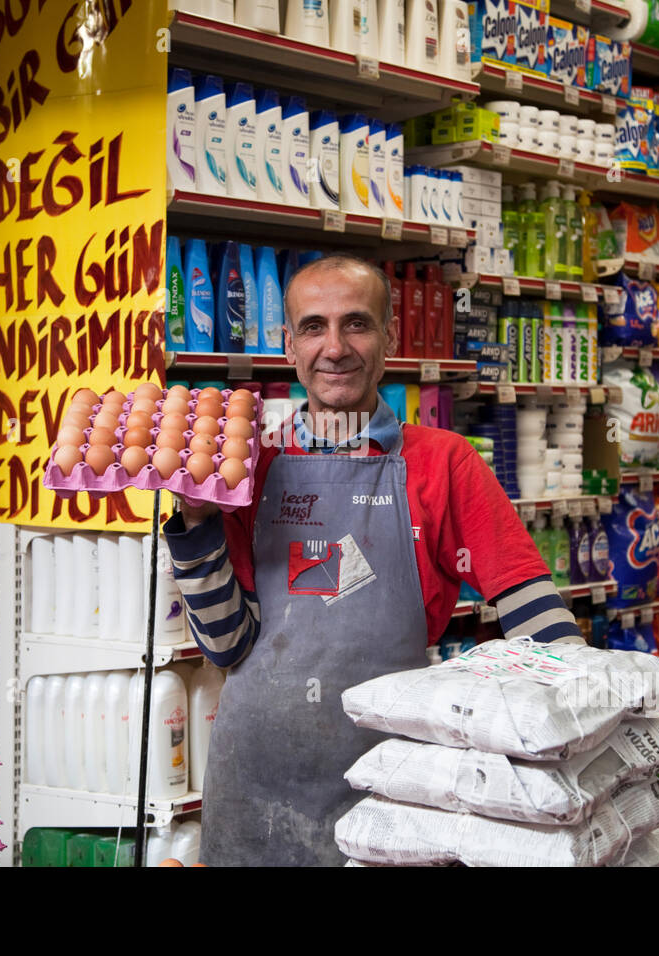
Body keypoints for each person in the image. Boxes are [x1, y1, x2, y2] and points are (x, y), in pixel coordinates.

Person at [162, 254, 583, 867]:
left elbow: (533, 609)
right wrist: (197, 520)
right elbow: (226, 645)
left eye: (356, 324)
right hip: (257, 783)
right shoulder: (254, 467)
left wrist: (585, 717)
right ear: (289, 345)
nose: (334, 347)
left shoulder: (443, 462)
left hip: (396, 782)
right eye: (313, 327)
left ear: (390, 337)